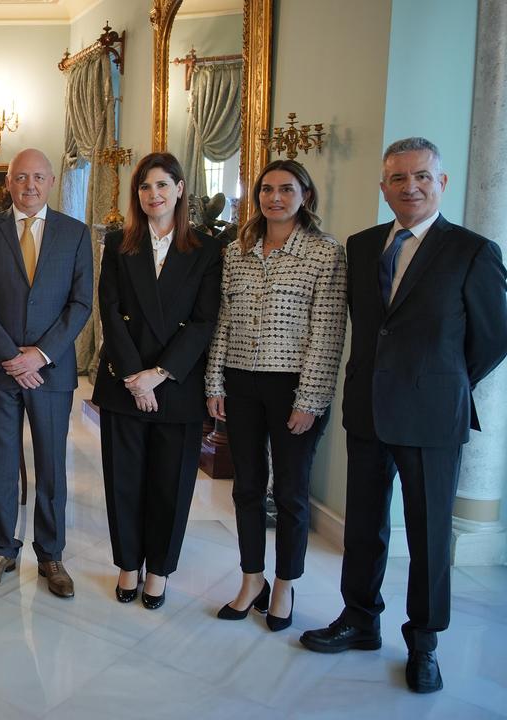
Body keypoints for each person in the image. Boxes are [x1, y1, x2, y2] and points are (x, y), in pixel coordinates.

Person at [300, 137, 507, 693]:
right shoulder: (363, 245)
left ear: (442, 183)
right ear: (383, 186)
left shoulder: (472, 250)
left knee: (429, 535)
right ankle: (360, 619)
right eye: (397, 178)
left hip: (433, 417)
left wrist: (441, 381)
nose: (409, 186)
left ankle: (425, 643)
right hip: (367, 409)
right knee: (364, 527)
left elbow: (492, 338)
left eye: (420, 176)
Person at [206, 160, 346, 630]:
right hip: (241, 382)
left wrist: (311, 398)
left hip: (293, 388)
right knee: (246, 487)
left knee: (289, 491)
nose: (274, 198)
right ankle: (252, 579)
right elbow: (222, 321)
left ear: (305, 195)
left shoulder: (326, 254)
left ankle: (286, 582)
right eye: (266, 190)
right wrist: (214, 383)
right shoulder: (238, 250)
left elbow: (328, 332)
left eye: (286, 189)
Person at [91, 152, 221, 610]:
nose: (154, 195)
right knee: (124, 480)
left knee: (171, 483)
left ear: (180, 189)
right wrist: (135, 376)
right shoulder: (118, 242)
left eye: (163, 185)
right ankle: (128, 564)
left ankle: (159, 572)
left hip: (177, 384)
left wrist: (159, 375)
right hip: (125, 383)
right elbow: (109, 309)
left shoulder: (205, 248)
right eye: (145, 187)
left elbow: (205, 320)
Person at [0, 148, 93, 598]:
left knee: (51, 466)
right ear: (9, 181)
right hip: (1, 372)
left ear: (52, 181)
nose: (30, 185)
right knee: (1, 463)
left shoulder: (76, 234)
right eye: (22, 177)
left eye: (38, 177)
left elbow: (81, 304)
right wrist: (10, 356)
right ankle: (2, 548)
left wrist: (39, 355)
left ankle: (51, 554)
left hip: (51, 372)